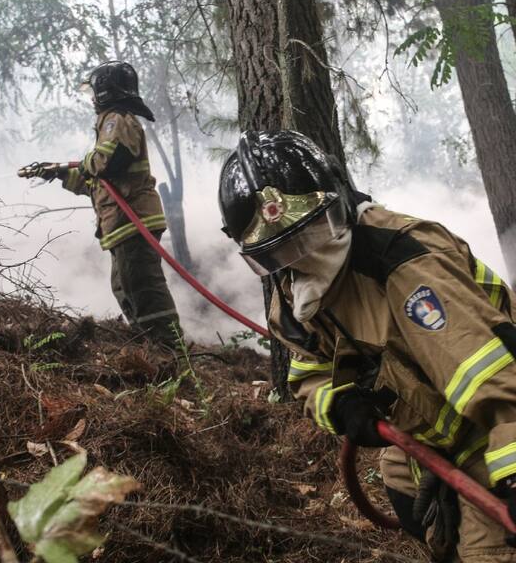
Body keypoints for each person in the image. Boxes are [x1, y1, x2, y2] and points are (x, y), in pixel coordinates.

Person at [218, 129, 516, 562]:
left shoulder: (404, 262)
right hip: (430, 434)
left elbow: (495, 379)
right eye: (282, 252)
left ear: (339, 199)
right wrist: (339, 405)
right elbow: (306, 374)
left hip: (494, 430)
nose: (303, 259)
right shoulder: (293, 300)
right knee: (399, 480)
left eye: (312, 233)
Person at [32, 60, 180, 346]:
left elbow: (106, 162)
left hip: (134, 221)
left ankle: (170, 348)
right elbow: (99, 185)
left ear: (104, 92)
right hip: (122, 224)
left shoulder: (116, 119)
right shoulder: (111, 123)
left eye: (93, 93)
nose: (90, 100)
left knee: (143, 287)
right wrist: (61, 173)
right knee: (124, 286)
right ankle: (148, 343)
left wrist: (85, 161)